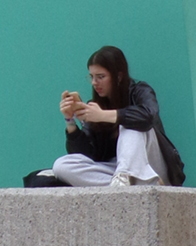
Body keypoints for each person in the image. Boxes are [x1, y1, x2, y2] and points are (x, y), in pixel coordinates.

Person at [50, 46, 185, 187]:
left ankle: (129, 178)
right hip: (117, 170)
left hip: (153, 166)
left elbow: (149, 116)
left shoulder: (139, 90)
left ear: (118, 76)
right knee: (61, 165)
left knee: (129, 124)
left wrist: (104, 115)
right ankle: (134, 184)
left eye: (101, 77)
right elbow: (89, 155)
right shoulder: (95, 105)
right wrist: (70, 121)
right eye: (92, 77)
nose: (95, 83)